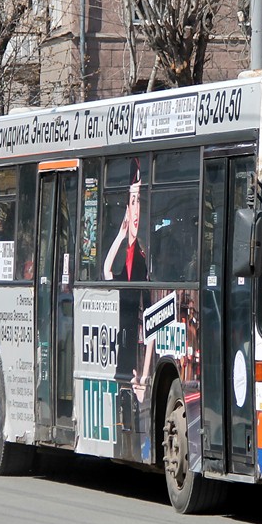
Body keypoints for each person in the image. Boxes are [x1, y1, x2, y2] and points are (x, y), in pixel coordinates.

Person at [103, 159, 153, 402]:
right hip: (125, 343)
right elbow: (107, 272)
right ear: (127, 208)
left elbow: (152, 318)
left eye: (139, 202)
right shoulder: (127, 256)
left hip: (136, 346)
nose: (136, 210)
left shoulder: (143, 257)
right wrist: (120, 236)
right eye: (133, 202)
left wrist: (144, 376)